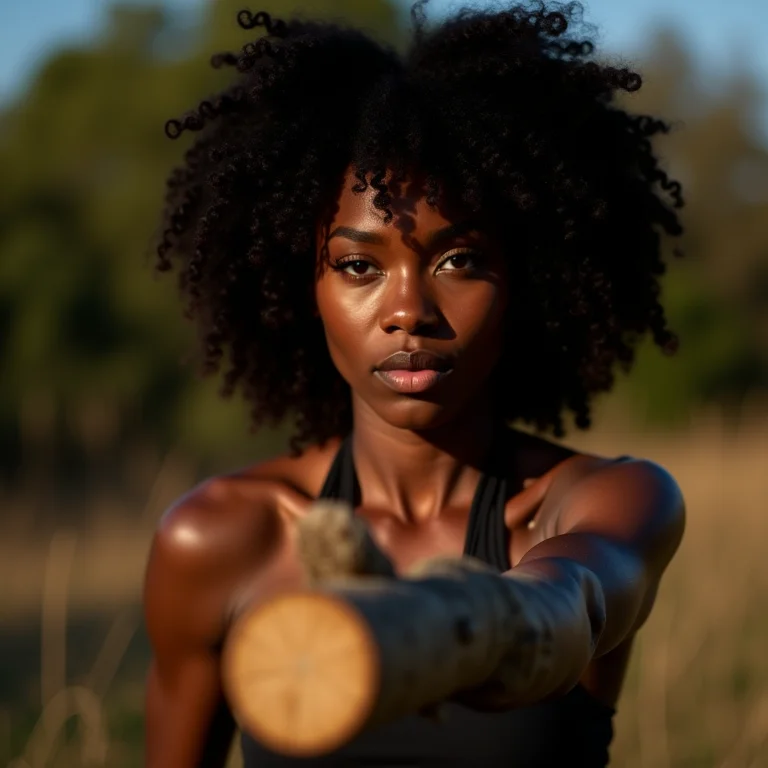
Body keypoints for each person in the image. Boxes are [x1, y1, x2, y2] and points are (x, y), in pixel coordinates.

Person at [143, 2, 687, 766]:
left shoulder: (599, 506)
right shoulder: (221, 539)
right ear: (304, 287)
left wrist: (464, 620)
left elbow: (578, 603)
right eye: (359, 266)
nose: (409, 312)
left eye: (460, 260)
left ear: (527, 281)